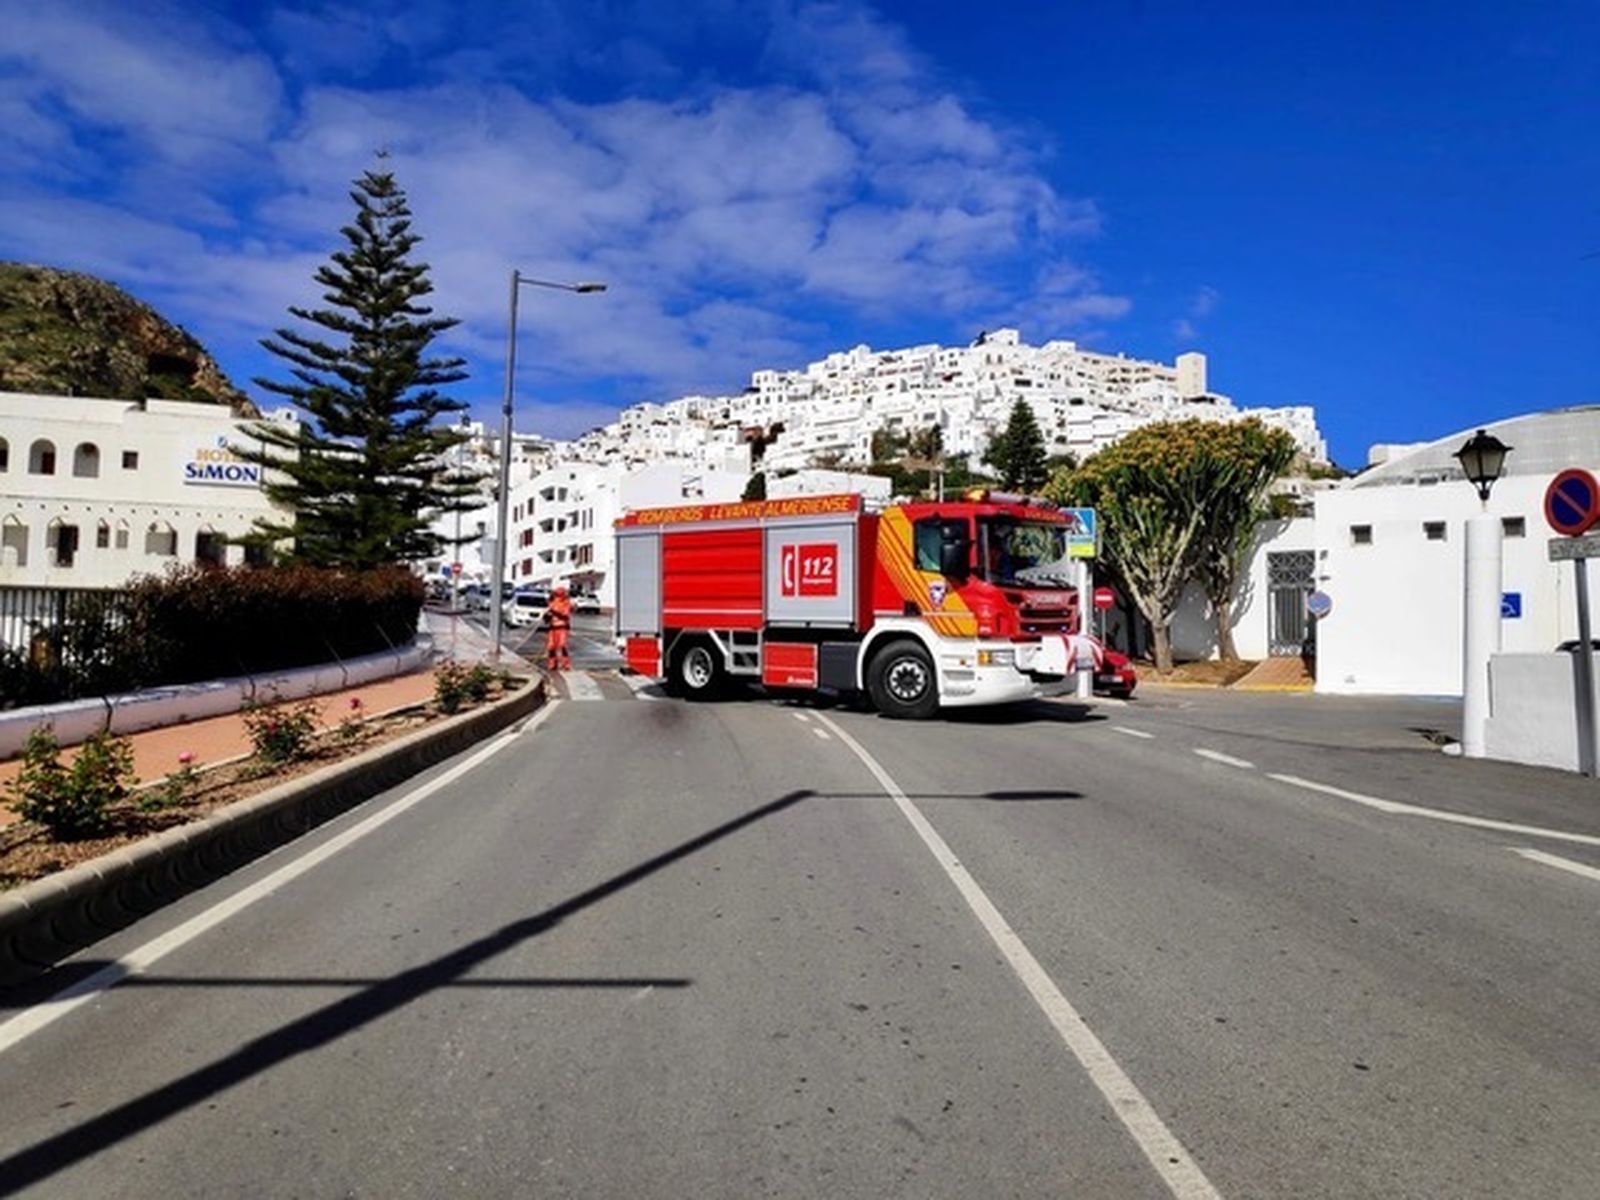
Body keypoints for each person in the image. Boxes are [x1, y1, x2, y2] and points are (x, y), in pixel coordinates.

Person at [543, 584, 573, 672]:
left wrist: (554, 611)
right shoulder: (552, 603)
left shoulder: (566, 603)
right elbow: (548, 616)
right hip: (553, 628)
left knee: (562, 645)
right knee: (551, 646)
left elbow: (564, 615)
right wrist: (547, 617)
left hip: (562, 627)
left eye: (558, 593)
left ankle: (566, 664)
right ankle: (552, 664)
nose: (556, 595)